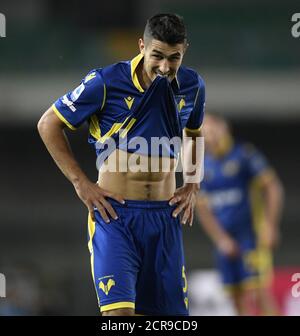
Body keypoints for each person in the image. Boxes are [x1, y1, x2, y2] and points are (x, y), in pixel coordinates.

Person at [37, 13, 205, 316]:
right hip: (116, 216)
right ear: (141, 46)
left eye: (174, 58)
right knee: (120, 316)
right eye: (157, 56)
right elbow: (48, 123)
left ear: (184, 52)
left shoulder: (192, 86)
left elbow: (194, 133)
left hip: (164, 219)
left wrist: (193, 182)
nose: (165, 67)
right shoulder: (106, 82)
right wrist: (81, 183)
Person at [195, 113, 284, 316]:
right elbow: (202, 208)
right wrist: (221, 239)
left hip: (251, 236)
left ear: (223, 128)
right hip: (227, 242)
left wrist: (270, 225)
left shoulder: (243, 155)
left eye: (211, 129)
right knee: (235, 297)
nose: (208, 135)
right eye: (203, 132)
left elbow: (272, 187)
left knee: (258, 292)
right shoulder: (203, 166)